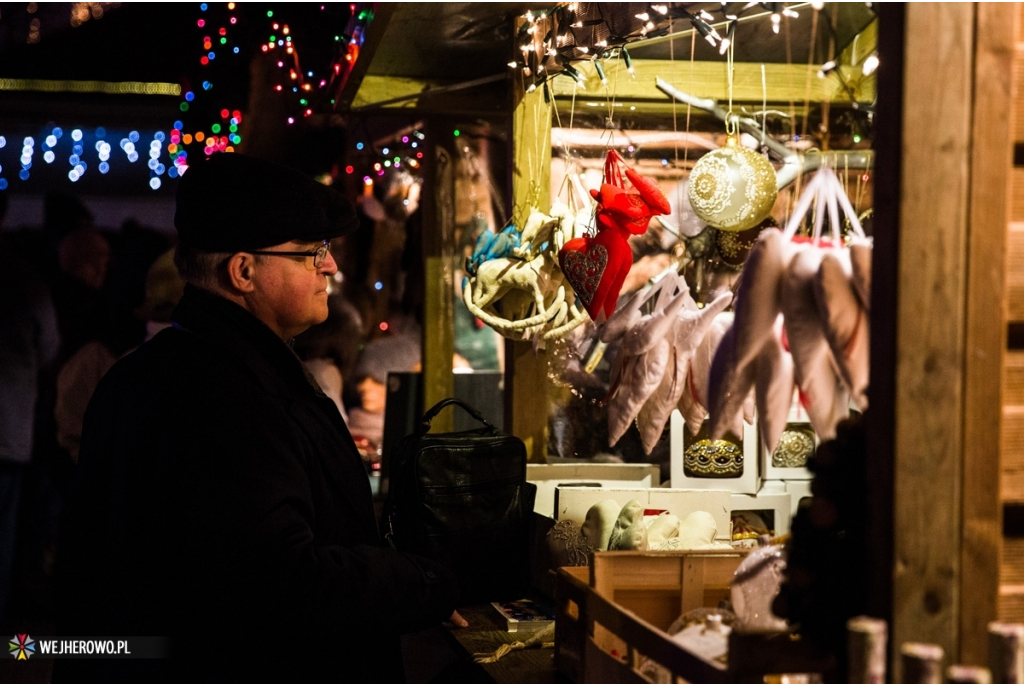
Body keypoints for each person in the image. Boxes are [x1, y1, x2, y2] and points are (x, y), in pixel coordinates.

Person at [56, 154, 461, 683]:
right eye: (309, 253)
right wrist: (422, 582)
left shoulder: (163, 371)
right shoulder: (228, 397)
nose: (330, 266)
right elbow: (285, 581)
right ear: (244, 271)